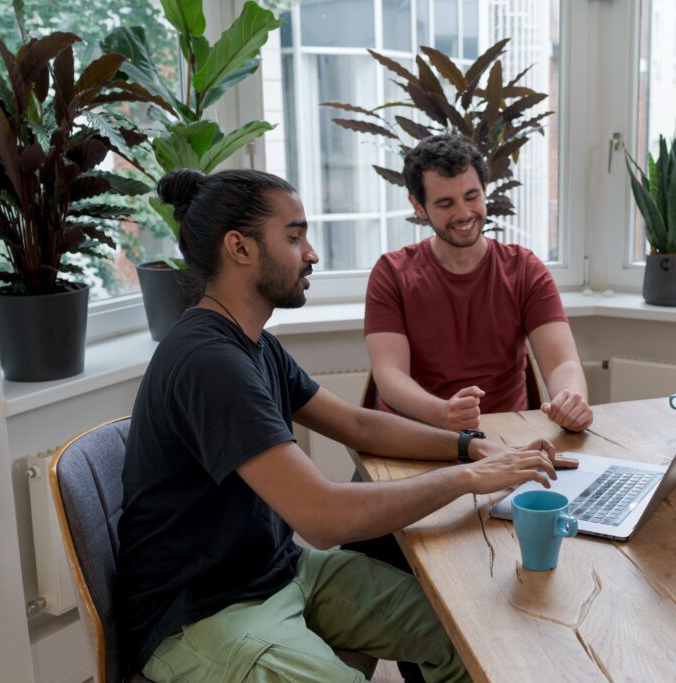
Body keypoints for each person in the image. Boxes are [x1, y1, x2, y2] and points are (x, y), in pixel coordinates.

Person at [116, 169, 564, 683]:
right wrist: (467, 479)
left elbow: (355, 423)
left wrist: (470, 448)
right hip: (199, 615)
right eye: (294, 236)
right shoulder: (209, 362)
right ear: (239, 248)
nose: (312, 253)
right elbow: (323, 518)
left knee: (469, 635)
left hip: (278, 572)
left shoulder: (255, 344)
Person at [364, 134, 593, 434]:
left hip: (505, 437)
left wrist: (570, 399)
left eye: (471, 197)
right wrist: (443, 413)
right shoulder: (391, 274)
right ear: (418, 206)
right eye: (445, 203)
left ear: (485, 191)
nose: (463, 213)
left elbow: (562, 362)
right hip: (417, 435)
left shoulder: (525, 269)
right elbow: (390, 376)